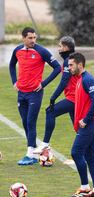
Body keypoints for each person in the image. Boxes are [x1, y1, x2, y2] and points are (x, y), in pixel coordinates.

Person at [9, 27, 61, 165]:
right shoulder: (17, 50)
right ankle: (32, 151)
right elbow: (11, 65)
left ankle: (30, 154)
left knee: (30, 122)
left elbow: (57, 67)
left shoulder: (41, 51)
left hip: (35, 94)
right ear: (23, 38)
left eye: (34, 38)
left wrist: (43, 84)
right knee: (25, 122)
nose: (33, 40)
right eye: (30, 38)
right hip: (21, 93)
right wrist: (14, 81)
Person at [34, 36, 79, 154]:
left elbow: (64, 81)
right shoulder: (73, 58)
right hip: (76, 98)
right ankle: (84, 153)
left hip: (73, 98)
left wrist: (53, 97)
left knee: (50, 111)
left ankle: (44, 145)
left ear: (66, 47)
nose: (58, 48)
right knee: (78, 128)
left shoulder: (68, 61)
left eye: (60, 46)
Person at [68, 52, 94, 197]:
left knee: (76, 152)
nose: (69, 67)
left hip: (90, 123)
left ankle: (84, 186)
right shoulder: (79, 79)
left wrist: (86, 119)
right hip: (88, 124)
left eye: (71, 65)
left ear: (80, 65)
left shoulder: (88, 79)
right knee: (90, 156)